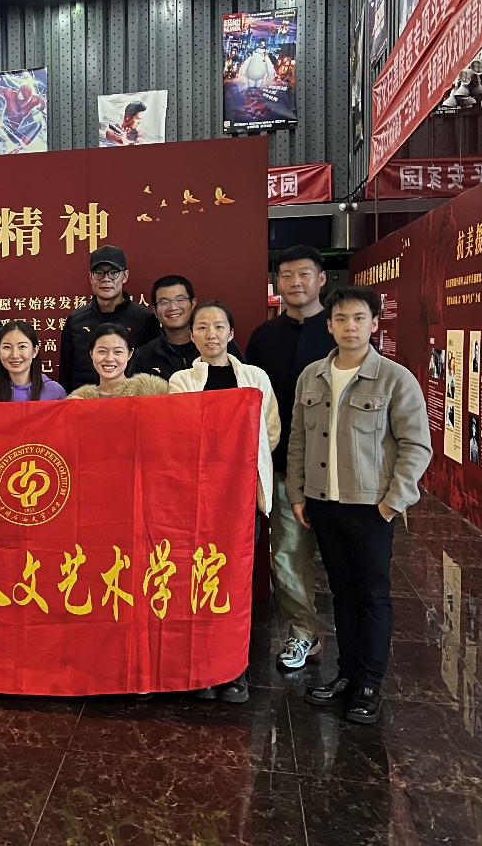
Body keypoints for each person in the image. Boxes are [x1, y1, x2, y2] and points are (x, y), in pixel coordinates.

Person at [287, 286, 432, 726]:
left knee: (372, 594)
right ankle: (346, 675)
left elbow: (416, 446)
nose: (350, 327)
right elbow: (298, 438)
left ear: (373, 323)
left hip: (371, 507)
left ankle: (369, 683)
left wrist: (393, 502)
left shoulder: (395, 378)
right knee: (342, 592)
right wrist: (297, 492)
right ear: (329, 325)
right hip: (323, 503)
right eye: (341, 319)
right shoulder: (312, 375)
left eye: (358, 318)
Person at [168, 302, 280, 704]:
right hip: (197, 496)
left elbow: (269, 431)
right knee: (196, 580)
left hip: (241, 495)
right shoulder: (181, 380)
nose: (210, 334)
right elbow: (179, 433)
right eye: (202, 327)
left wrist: (239, 465)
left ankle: (235, 670)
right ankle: (201, 668)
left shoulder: (255, 377)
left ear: (231, 333)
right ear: (191, 335)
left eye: (218, 326)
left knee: (235, 580)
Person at [244, 245, 336, 671]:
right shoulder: (263, 338)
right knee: (287, 554)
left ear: (321, 279)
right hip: (282, 464)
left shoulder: (340, 332)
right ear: (276, 282)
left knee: (344, 559)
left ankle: (359, 644)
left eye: (304, 273)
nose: (295, 282)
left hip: (338, 467)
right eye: (286, 275)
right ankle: (302, 634)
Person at [59, 246, 159, 392]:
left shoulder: (145, 319)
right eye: (99, 273)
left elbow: (149, 374)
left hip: (129, 401)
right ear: (91, 277)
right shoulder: (75, 320)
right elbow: (66, 374)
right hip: (83, 401)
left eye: (113, 273)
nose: (106, 279)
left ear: (125, 276)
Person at [129, 276, 242, 380]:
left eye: (179, 300)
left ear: (193, 304)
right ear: (155, 311)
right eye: (164, 302)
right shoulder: (143, 356)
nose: (173, 307)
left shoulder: (221, 345)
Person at [67, 324, 170, 399]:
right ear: (91, 353)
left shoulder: (152, 392)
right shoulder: (79, 399)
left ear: (130, 354)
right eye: (102, 351)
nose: (109, 358)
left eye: (117, 352)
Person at [0, 320, 68, 402]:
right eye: (7, 347)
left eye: (22, 346)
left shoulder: (55, 392)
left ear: (35, 351)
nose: (15, 355)